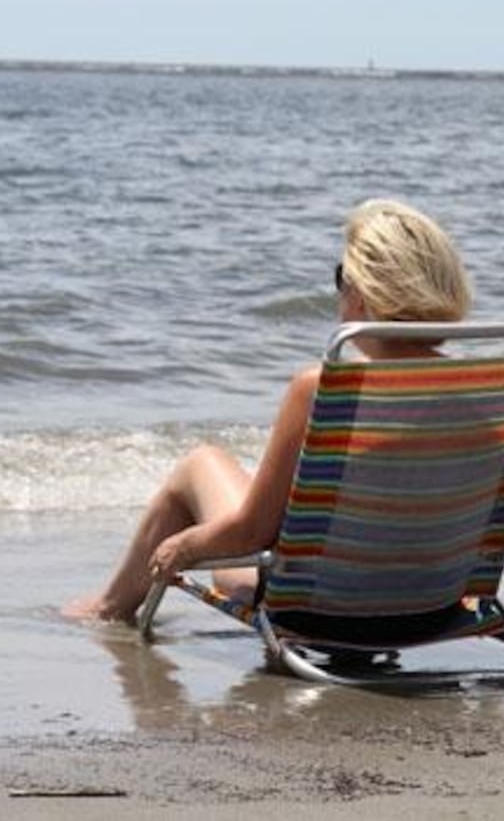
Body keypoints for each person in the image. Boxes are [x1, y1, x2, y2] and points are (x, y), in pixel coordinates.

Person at [63, 198, 472, 623]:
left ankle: (109, 608)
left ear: (363, 296)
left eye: (342, 279)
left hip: (317, 607)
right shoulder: (481, 395)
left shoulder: (320, 389)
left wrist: (181, 547)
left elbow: (251, 534)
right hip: (433, 606)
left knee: (202, 463)